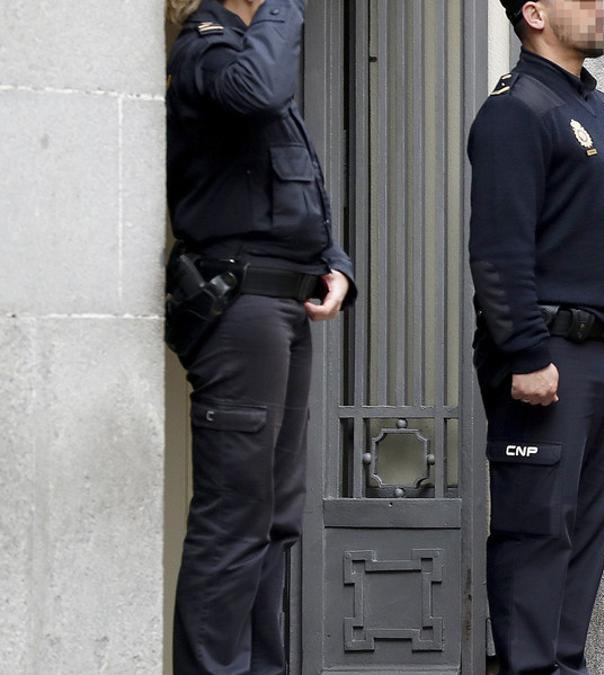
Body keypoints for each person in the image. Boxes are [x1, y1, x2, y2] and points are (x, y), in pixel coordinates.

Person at [165, 0, 355, 672]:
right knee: (235, 518)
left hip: (284, 306)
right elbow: (262, 88)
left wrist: (336, 263)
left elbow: (298, 192)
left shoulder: (253, 50)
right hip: (238, 310)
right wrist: (283, 9)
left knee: (274, 520)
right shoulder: (208, 51)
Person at [468, 1, 604, 672]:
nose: (600, 7)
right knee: (535, 532)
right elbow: (498, 248)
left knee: (584, 532)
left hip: (601, 356)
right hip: (545, 356)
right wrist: (524, 349)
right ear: (536, 13)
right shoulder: (514, 112)